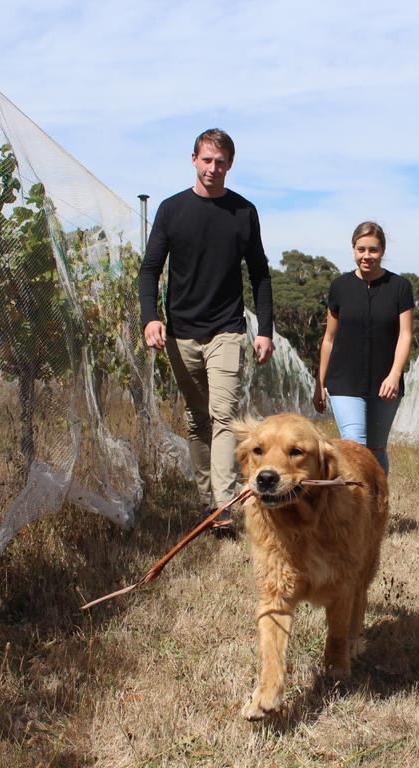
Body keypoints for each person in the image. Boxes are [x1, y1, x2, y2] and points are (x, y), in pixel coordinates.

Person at [139, 128, 274, 531]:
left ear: (230, 165)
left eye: (221, 162)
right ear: (194, 160)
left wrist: (263, 328)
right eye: (207, 160)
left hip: (227, 330)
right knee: (198, 419)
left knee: (223, 414)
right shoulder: (170, 210)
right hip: (181, 332)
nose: (213, 168)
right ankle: (206, 501)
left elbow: (261, 275)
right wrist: (150, 317)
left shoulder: (243, 212)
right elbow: (150, 270)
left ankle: (223, 505)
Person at [313, 222, 414, 475]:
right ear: (353, 250)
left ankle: (378, 508)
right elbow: (329, 338)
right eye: (361, 250)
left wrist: (394, 375)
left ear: (382, 251)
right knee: (354, 446)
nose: (366, 256)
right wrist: (319, 383)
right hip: (344, 380)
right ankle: (357, 510)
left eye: (373, 250)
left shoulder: (400, 287)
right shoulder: (339, 287)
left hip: (385, 383)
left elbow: (405, 336)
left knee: (376, 448)